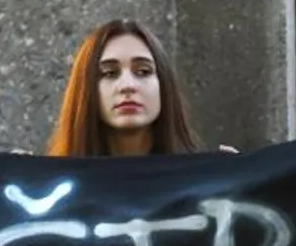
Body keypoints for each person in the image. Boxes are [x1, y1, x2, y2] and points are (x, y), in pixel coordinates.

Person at [46, 19, 207, 157]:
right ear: (86, 90)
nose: (127, 86)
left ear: (163, 85)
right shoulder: (52, 185)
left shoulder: (204, 181)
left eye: (143, 72)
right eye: (109, 73)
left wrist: (229, 173)